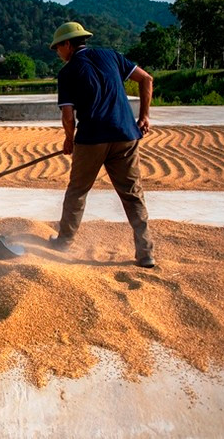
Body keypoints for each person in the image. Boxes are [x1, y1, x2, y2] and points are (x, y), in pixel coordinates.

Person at [49, 21, 156, 268]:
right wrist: (144, 116)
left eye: (57, 48)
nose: (58, 53)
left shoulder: (67, 72)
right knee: (132, 194)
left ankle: (64, 242)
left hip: (93, 138)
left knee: (77, 191)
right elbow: (146, 79)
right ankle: (145, 252)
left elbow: (68, 116)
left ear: (67, 44)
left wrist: (69, 139)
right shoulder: (111, 56)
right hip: (125, 135)